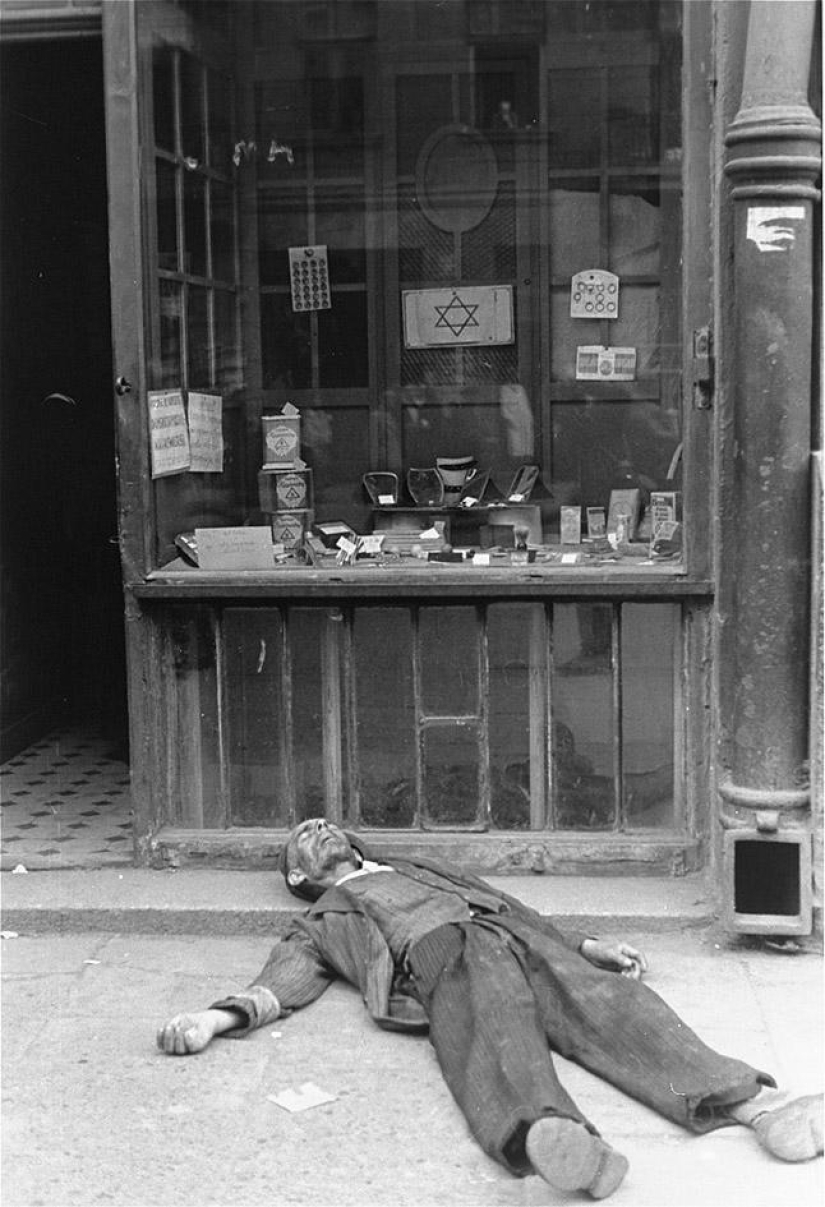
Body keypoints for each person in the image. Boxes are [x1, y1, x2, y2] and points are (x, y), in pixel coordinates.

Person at [157, 819, 823, 1200]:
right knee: (496, 1030)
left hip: (513, 932)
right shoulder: (325, 916)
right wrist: (213, 1019)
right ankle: (566, 1144)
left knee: (613, 1005)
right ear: (299, 877)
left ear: (355, 844)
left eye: (328, 823)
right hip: (444, 950)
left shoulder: (423, 867)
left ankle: (752, 1107)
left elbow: (517, 908)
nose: (321, 828)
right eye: (305, 836)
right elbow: (287, 976)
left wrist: (586, 944)